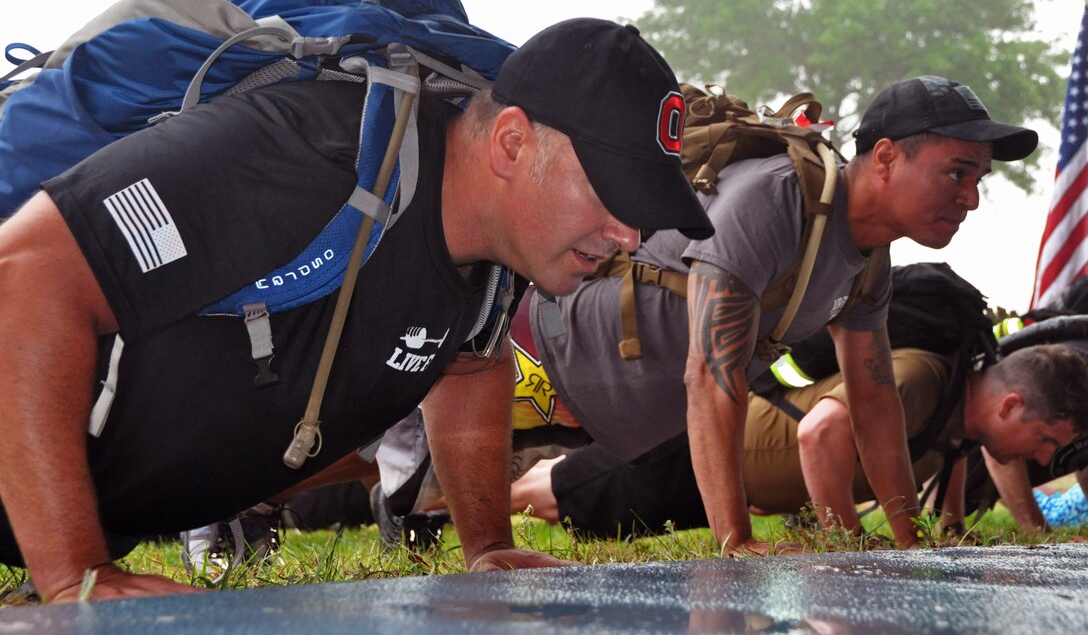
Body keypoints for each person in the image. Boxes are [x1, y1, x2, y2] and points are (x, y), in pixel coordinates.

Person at [0, 17, 713, 603]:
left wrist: (489, 544)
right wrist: (73, 574)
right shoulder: (302, 153)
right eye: (613, 194)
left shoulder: (499, 255)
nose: (631, 235)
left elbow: (468, 360)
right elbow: (23, 279)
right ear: (512, 143)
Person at [388, 74, 1036, 557]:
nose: (971, 197)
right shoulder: (780, 200)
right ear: (888, 156)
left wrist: (908, 538)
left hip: (600, 413)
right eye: (957, 173)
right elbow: (711, 374)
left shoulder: (866, 261)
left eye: (977, 178)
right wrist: (736, 540)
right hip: (546, 358)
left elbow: (874, 401)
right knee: (364, 443)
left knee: (407, 471)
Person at [506, 344, 1088, 538]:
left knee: (570, 498)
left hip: (735, 482)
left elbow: (953, 462)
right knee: (554, 493)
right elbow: (818, 431)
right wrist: (847, 537)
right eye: (1043, 440)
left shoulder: (957, 418)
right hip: (702, 453)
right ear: (1010, 404)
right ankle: (435, 507)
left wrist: (950, 528)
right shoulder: (921, 377)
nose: (1041, 458)